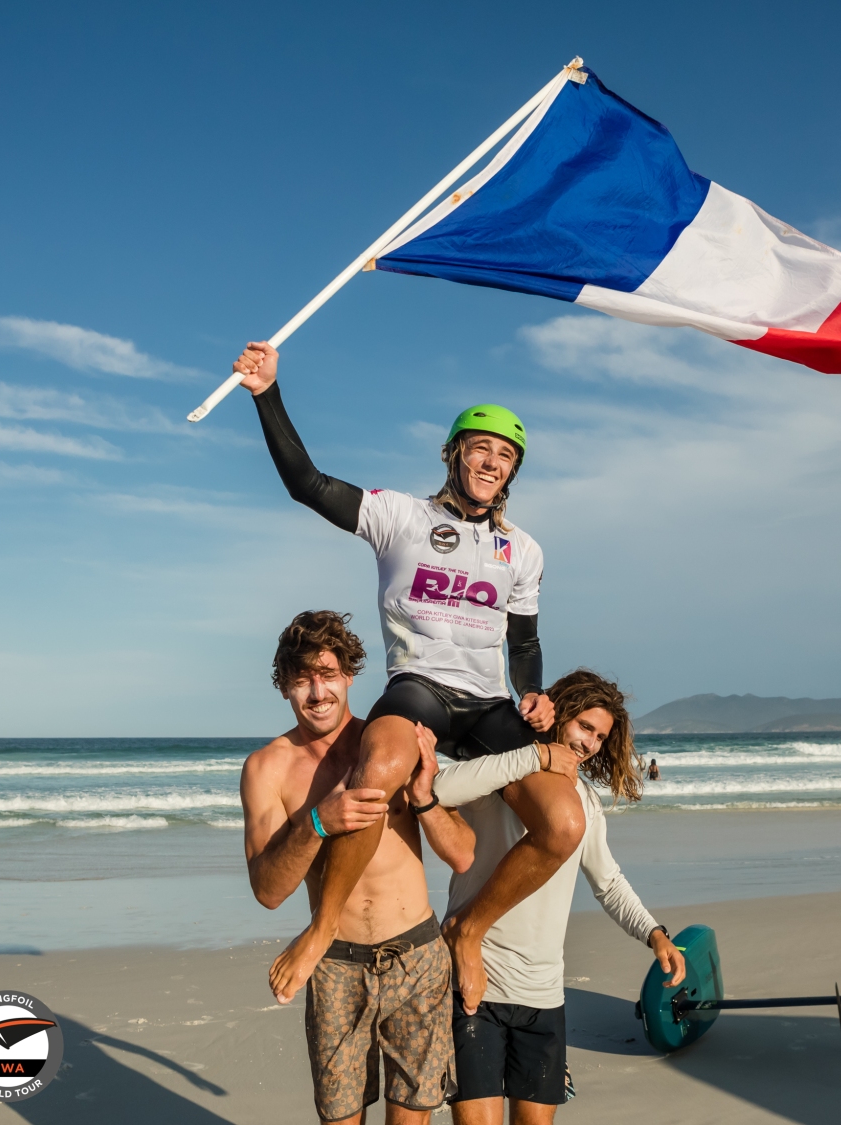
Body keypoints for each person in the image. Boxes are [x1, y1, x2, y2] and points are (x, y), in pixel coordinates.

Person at [234, 341, 587, 1010]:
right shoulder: (399, 516)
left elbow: (525, 642)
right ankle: (323, 926)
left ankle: (468, 929)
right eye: (480, 448)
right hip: (419, 686)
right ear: (454, 453)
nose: (491, 461)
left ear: (512, 471)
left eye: (505, 455)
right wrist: (267, 393)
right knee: (378, 772)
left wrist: (535, 693)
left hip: (489, 704)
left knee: (565, 822)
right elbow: (307, 484)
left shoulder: (523, 550)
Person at [417, 669, 687, 1123]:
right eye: (585, 727)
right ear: (558, 715)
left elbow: (609, 882)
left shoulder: (584, 803)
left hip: (542, 995)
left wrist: (654, 933)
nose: (590, 743)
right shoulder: (505, 773)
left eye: (600, 737)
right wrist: (532, 757)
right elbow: (439, 789)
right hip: (475, 984)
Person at [242, 610, 462, 1125]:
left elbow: (463, 852)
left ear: (349, 676)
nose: (317, 693)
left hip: (416, 956)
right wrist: (318, 822)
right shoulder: (267, 768)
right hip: (335, 964)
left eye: (328, 675)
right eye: (302, 680)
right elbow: (268, 891)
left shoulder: (391, 744)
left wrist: (426, 797)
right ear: (284, 687)